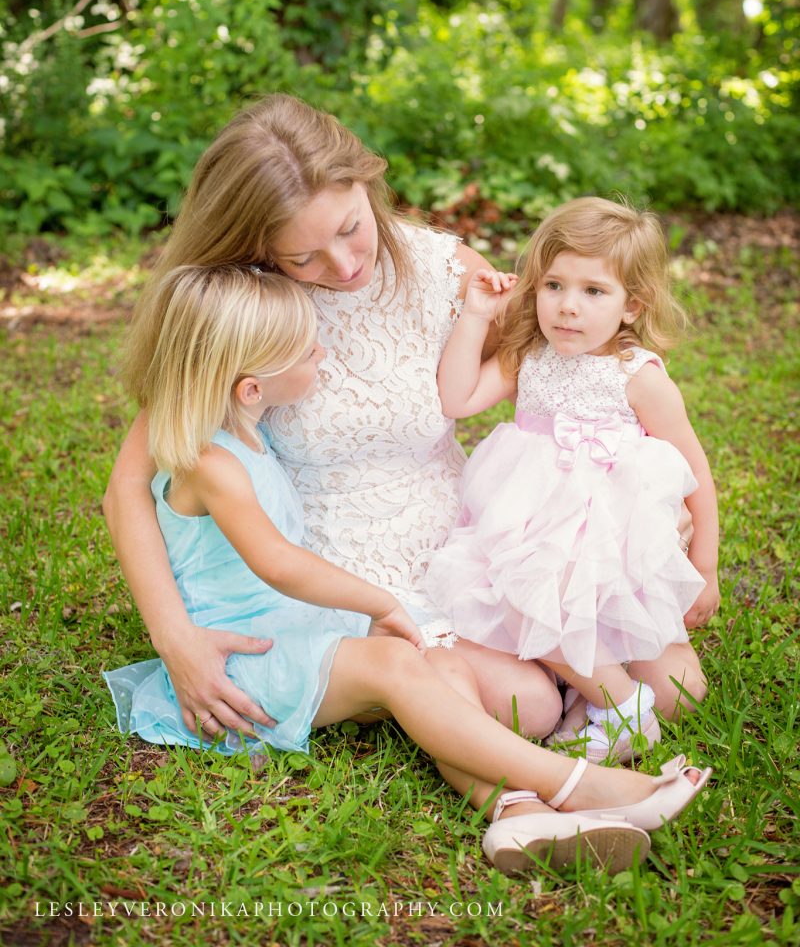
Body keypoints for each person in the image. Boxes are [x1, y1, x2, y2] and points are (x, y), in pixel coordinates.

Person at [103, 94, 705, 740]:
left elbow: (567, 367)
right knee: (526, 707)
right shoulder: (245, 310)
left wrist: (629, 502)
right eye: (302, 257)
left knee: (679, 693)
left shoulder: (443, 268)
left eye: (349, 227)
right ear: (257, 247)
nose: (343, 265)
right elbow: (128, 488)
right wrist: (177, 640)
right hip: (352, 571)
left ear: (366, 182)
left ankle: (563, 665)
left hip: (479, 536)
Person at [103, 262, 711, 876]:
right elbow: (279, 563)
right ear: (251, 389)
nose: (322, 350)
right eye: (304, 347)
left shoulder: (241, 434)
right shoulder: (215, 463)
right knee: (398, 662)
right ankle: (579, 785)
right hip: (239, 656)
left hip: (292, 624)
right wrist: (382, 603)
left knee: (436, 661)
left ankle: (514, 813)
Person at [424, 197, 720, 763]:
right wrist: (477, 316)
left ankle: (595, 687)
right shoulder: (527, 357)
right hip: (530, 542)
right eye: (554, 285)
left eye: (594, 292)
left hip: (611, 558)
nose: (567, 308)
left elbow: (694, 474)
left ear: (632, 305)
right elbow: (455, 399)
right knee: (534, 596)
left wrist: (703, 566)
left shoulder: (640, 377)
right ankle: (620, 705)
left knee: (683, 694)